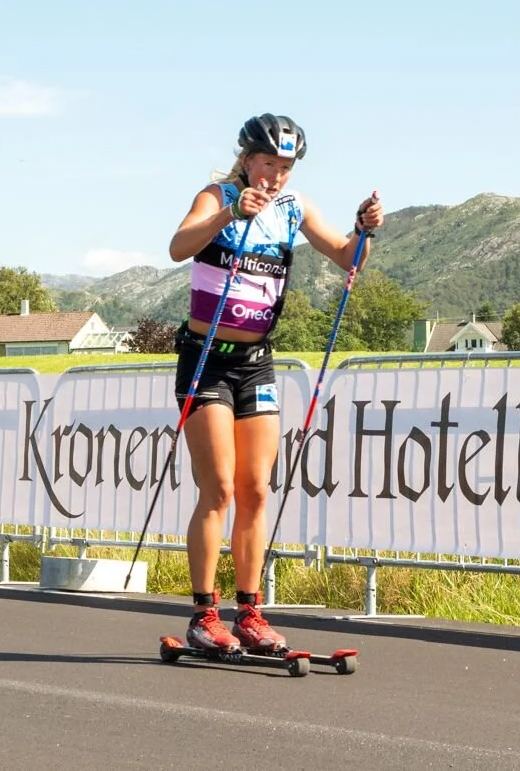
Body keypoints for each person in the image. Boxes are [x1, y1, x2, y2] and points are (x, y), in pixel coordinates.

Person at [167, 114, 381, 654]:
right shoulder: (216, 195)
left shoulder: (293, 206)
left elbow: (347, 257)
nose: (276, 176)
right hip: (205, 359)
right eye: (268, 164)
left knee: (256, 490)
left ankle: (250, 612)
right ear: (245, 160)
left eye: (285, 167)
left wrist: (365, 231)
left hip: (257, 362)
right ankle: (203, 614)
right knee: (217, 488)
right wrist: (226, 215)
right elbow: (178, 247)